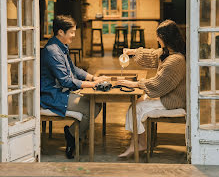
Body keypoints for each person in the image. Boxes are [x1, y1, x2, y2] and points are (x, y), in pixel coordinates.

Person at [117, 19, 186, 158]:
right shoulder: (169, 53)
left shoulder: (176, 60)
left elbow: (159, 84)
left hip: (174, 99)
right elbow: (153, 55)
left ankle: (138, 144)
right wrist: (132, 52)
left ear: (165, 38)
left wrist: (135, 84)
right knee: (137, 104)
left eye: (159, 37)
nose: (157, 39)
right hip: (168, 95)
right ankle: (138, 143)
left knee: (136, 108)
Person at [40, 15, 106, 159]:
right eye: (71, 32)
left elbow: (73, 70)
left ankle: (74, 135)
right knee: (93, 107)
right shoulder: (52, 51)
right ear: (60, 32)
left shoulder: (60, 46)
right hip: (52, 95)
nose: (74, 36)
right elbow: (65, 81)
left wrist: (93, 78)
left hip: (63, 92)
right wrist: (93, 85)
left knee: (97, 103)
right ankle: (72, 135)